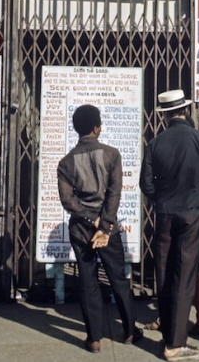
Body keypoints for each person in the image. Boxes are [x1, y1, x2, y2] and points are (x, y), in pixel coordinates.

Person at [57, 104, 142, 353]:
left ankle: (94, 339)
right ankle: (129, 331)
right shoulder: (112, 155)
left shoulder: (66, 162)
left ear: (76, 128)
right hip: (108, 229)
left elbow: (68, 200)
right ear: (97, 128)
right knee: (118, 278)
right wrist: (103, 225)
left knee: (88, 281)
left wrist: (89, 219)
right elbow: (114, 194)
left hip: (81, 230)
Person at [140, 90, 199, 362]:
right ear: (185, 110)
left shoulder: (155, 143)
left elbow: (146, 184)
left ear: (164, 115)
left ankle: (168, 335)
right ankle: (174, 345)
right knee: (184, 275)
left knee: (163, 273)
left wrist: (162, 198)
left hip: (164, 214)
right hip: (191, 214)